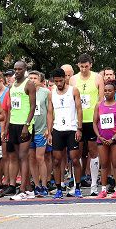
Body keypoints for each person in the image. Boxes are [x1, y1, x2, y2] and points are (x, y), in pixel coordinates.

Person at [47, 67, 83, 199]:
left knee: (74, 159)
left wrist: (79, 128)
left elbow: (79, 109)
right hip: (57, 129)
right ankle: (58, 189)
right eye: (56, 81)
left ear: (65, 79)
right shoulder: (52, 93)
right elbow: (50, 112)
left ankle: (77, 187)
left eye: (60, 80)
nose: (58, 83)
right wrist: (49, 131)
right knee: (56, 160)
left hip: (72, 128)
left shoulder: (73, 90)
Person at [70, 53, 103, 193]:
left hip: (92, 120)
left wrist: (97, 116)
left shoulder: (97, 77)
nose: (84, 69)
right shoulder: (73, 79)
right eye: (82, 66)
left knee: (93, 151)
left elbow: (101, 99)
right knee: (76, 153)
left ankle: (94, 185)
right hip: (78, 121)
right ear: (78, 65)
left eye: (86, 66)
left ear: (91, 65)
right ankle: (76, 184)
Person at [5, 61, 37, 200]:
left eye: (20, 69)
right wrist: (7, 127)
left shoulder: (29, 84)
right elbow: (12, 108)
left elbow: (32, 106)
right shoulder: (12, 86)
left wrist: (27, 124)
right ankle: (29, 189)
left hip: (25, 124)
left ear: (25, 70)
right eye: (15, 69)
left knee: (23, 157)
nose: (17, 71)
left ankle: (22, 189)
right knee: (18, 157)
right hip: (13, 123)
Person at [95, 81, 116, 198]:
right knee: (104, 164)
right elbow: (94, 122)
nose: (107, 93)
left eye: (110, 90)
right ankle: (103, 189)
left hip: (115, 139)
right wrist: (99, 136)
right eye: (105, 90)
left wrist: (113, 137)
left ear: (114, 91)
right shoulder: (99, 105)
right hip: (102, 139)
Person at [27, 70, 50, 198]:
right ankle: (36, 185)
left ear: (40, 80)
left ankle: (44, 185)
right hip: (29, 129)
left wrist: (48, 128)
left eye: (35, 78)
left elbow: (49, 111)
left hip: (41, 129)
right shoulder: (25, 93)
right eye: (31, 78)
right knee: (31, 158)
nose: (33, 80)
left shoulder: (45, 93)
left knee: (40, 157)